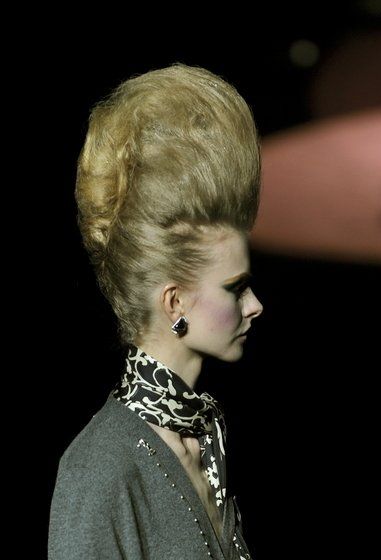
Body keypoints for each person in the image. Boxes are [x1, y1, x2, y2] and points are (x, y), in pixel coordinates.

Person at [48, 62, 264, 559]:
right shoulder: (101, 468)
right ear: (175, 303)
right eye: (235, 289)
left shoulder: (204, 441)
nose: (255, 305)